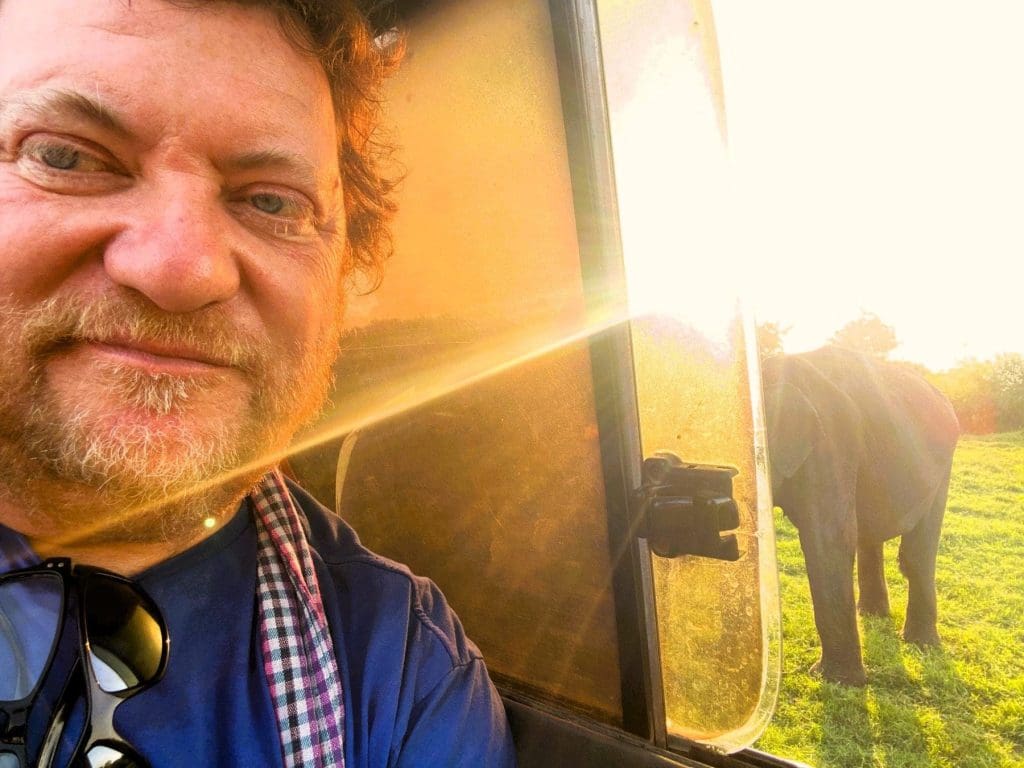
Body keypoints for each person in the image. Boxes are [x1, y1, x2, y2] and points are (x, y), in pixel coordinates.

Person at [0, 0, 516, 765]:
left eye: (272, 201)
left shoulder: (402, 672)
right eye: (67, 156)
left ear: (342, 276)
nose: (184, 268)